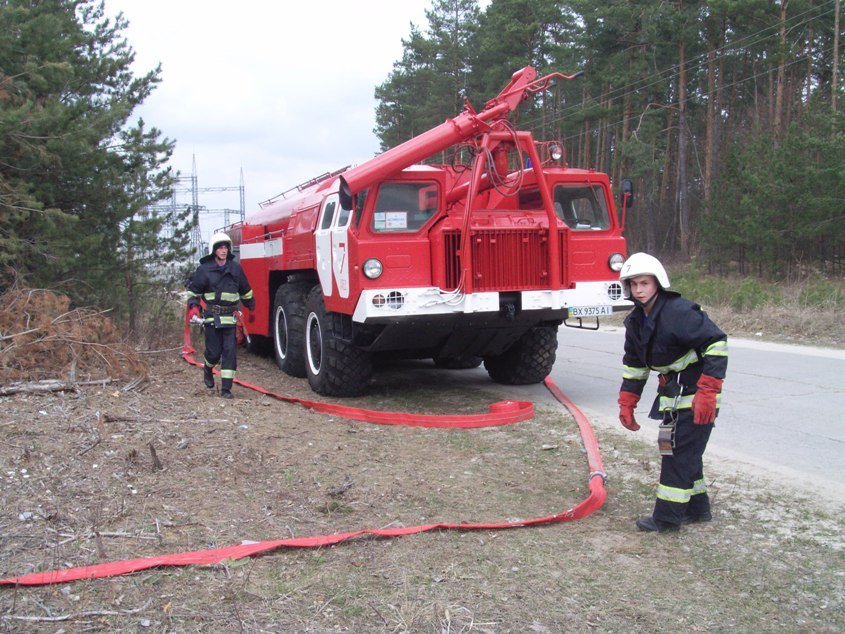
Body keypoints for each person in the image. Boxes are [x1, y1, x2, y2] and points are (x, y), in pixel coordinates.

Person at [616, 253, 728, 532]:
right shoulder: (636, 321)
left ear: (658, 283)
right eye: (633, 284)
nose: (639, 289)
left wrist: (708, 391)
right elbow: (634, 365)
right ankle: (697, 510)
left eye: (644, 283)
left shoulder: (679, 312)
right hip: (674, 394)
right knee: (683, 451)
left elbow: (716, 344)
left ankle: (666, 519)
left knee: (676, 453)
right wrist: (627, 401)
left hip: (698, 393)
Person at [186, 232, 255, 399]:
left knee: (229, 353)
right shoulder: (204, 270)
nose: (224, 251)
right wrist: (194, 308)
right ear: (214, 250)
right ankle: (208, 368)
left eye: (226, 248)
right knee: (214, 353)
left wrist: (251, 307)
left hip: (230, 319)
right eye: (220, 248)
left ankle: (226, 389)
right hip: (211, 318)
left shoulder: (235, 269)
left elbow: (246, 291)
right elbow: (193, 292)